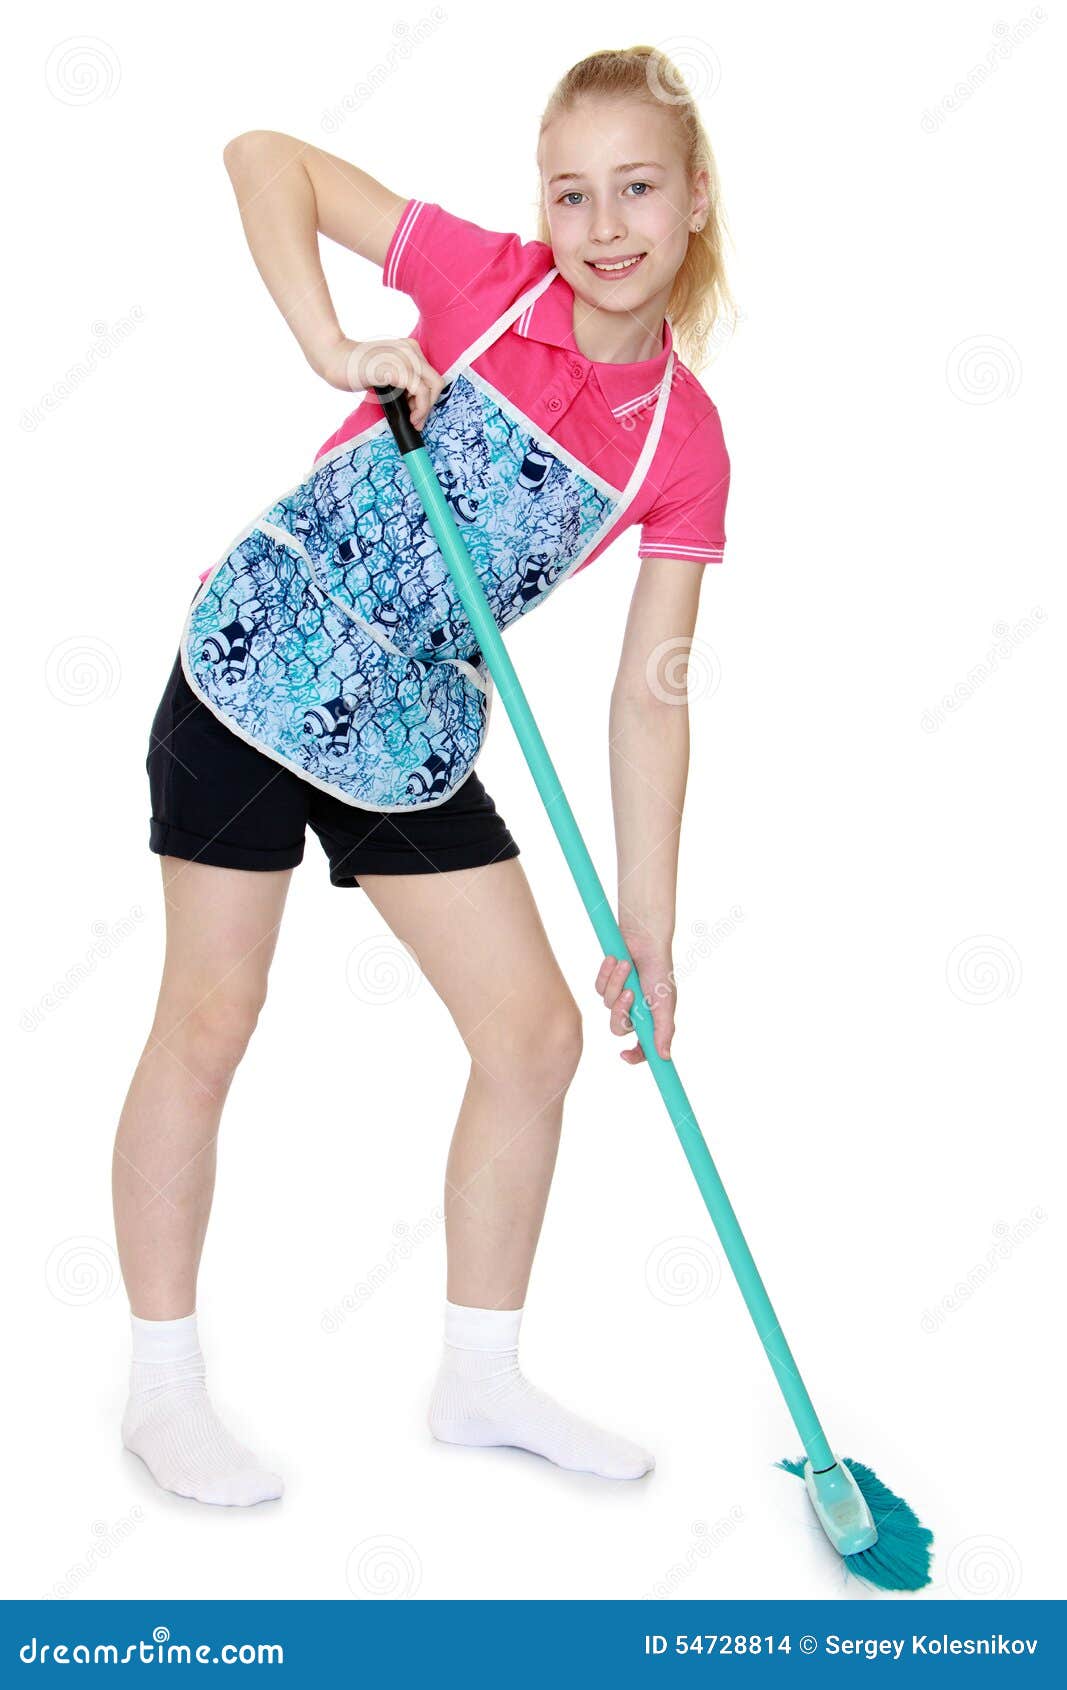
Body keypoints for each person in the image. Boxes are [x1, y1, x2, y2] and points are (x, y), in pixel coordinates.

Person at [114, 44, 734, 1506]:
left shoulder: (682, 439)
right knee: (210, 1014)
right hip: (263, 664)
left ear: (696, 199)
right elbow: (263, 152)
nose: (602, 223)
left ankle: (480, 1374)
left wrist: (645, 920)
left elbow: (655, 692)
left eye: (637, 187)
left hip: (405, 730)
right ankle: (158, 1388)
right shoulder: (488, 280)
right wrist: (338, 344)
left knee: (531, 1033)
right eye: (572, 190)